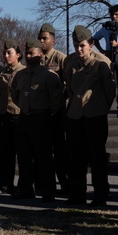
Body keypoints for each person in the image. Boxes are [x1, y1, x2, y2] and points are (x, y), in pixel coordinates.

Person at [64, 26, 115, 207]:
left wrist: (100, 107)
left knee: (97, 158)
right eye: (76, 45)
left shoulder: (101, 64)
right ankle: (77, 194)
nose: (79, 49)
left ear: (91, 45)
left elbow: (110, 92)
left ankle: (100, 195)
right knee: (76, 158)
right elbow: (70, 90)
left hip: (95, 116)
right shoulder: (71, 65)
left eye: (82, 45)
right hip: (75, 116)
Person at [10, 40, 63, 201]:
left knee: (44, 157)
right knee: (24, 157)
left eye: (31, 53)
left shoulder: (49, 76)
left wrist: (44, 112)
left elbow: (56, 101)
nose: (27, 55)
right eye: (26, 52)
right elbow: (15, 96)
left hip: (42, 118)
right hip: (25, 118)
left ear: (40, 54)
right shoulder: (20, 75)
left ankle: (48, 192)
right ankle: (26, 189)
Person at [38, 23, 69, 194]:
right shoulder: (36, 59)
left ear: (53, 40)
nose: (42, 41)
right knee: (44, 150)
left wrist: (61, 99)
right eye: (40, 38)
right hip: (42, 111)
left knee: (60, 149)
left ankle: (64, 182)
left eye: (45, 38)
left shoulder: (60, 58)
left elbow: (68, 83)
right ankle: (46, 185)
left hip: (57, 111)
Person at [0, 40, 25, 194]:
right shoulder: (1, 73)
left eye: (9, 53)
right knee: (5, 153)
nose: (6, 56)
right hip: (3, 115)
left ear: (18, 55)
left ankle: (23, 185)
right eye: (5, 53)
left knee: (21, 152)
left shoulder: (23, 72)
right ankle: (5, 184)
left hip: (18, 116)